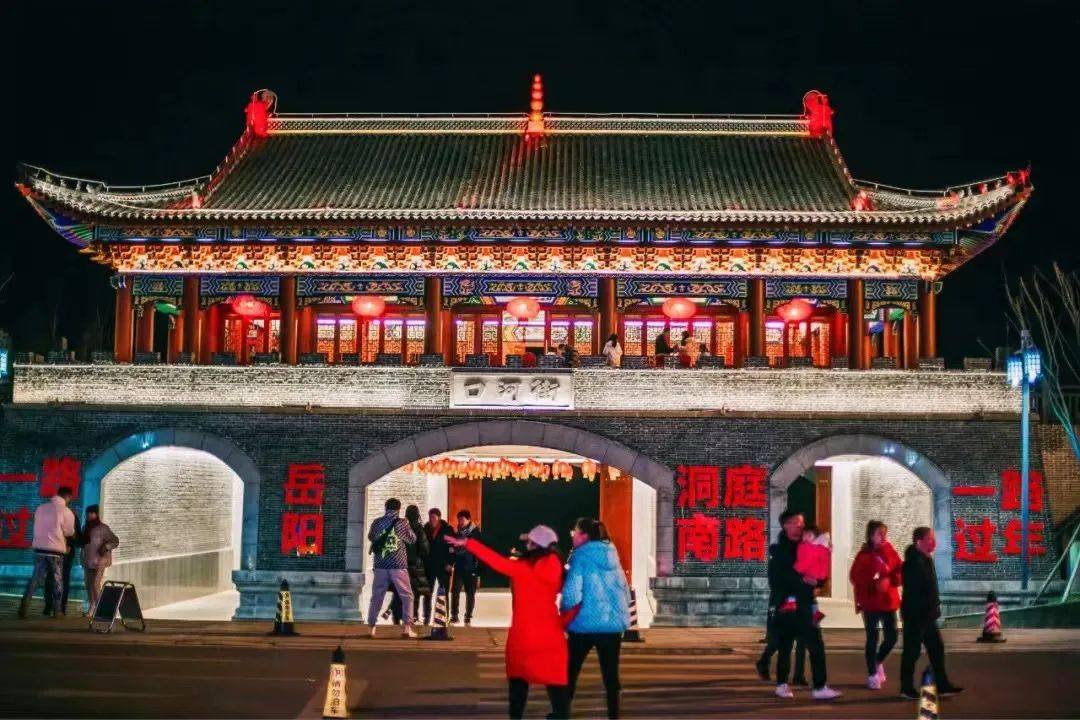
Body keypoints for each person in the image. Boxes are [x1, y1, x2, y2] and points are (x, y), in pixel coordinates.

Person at [446, 525, 569, 719]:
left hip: (523, 636)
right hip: (551, 636)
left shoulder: (520, 568)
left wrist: (469, 543)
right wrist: (566, 621)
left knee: (519, 685)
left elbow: (494, 560)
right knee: (556, 683)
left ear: (537, 546)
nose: (526, 545)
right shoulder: (559, 570)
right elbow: (574, 598)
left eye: (530, 542)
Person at [767, 509, 840, 700]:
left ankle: (820, 687)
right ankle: (782, 684)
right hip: (787, 604)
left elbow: (820, 567)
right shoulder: (778, 550)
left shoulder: (809, 544)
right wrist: (801, 581)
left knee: (816, 644)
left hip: (807, 604)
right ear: (785, 525)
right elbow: (775, 580)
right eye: (794, 522)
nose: (799, 526)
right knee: (785, 646)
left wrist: (819, 583)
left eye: (801, 522)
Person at [561, 517, 630, 719]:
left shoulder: (580, 557)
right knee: (611, 676)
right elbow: (624, 591)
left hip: (583, 625)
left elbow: (572, 594)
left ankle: (561, 713)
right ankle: (613, 715)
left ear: (584, 536)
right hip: (610, 627)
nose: (573, 536)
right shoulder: (612, 555)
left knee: (569, 673)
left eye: (575, 532)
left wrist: (564, 613)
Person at [899, 527, 964, 699]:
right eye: (929, 539)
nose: (933, 542)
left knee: (937, 648)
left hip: (928, 615)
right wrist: (926, 608)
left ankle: (942, 685)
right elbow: (914, 593)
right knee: (912, 652)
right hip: (916, 616)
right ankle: (906, 688)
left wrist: (934, 607)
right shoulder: (912, 563)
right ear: (919, 542)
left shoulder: (926, 559)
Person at [849, 520, 902, 690]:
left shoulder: (890, 550)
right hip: (871, 602)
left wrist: (892, 580)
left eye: (884, 533)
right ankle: (872, 674)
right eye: (879, 533)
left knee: (892, 637)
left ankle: (877, 660)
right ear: (871, 536)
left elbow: (899, 570)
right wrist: (875, 583)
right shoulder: (863, 555)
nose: (883, 536)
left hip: (888, 601)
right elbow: (855, 576)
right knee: (872, 638)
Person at [18, 488, 76, 619]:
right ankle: (57, 611)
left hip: (40, 550)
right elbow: (69, 532)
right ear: (67, 496)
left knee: (35, 579)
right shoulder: (66, 511)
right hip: (55, 552)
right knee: (57, 581)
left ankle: (24, 605)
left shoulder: (41, 508)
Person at [366, 497, 418, 637]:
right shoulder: (402, 523)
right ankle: (407, 628)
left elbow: (371, 537)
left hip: (380, 564)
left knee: (377, 596)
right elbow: (412, 539)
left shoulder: (377, 522)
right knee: (407, 595)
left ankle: (371, 627)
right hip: (398, 564)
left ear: (386, 507)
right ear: (398, 509)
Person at [389, 504, 431, 626]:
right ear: (417, 515)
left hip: (400, 565)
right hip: (415, 567)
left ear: (406, 515)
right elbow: (425, 550)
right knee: (414, 593)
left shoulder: (400, 528)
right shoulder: (419, 530)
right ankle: (412, 616)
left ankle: (396, 617)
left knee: (398, 592)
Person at [44, 501, 83, 617]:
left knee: (61, 579)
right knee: (51, 579)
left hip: (65, 553)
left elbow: (77, 536)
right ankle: (50, 606)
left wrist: (69, 544)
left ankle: (59, 607)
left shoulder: (72, 516)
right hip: (54, 552)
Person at [80, 504, 119, 616]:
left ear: (96, 514)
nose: (89, 515)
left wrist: (106, 547)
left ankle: (100, 609)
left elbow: (115, 541)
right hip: (88, 560)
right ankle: (92, 607)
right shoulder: (85, 528)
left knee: (95, 584)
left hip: (100, 560)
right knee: (88, 584)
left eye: (91, 513)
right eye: (88, 513)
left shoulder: (103, 528)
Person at [791, 524, 831, 625]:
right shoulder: (816, 547)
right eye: (804, 534)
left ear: (814, 536)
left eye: (808, 535)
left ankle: (810, 616)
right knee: (808, 598)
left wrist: (795, 570)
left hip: (809, 578)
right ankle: (814, 615)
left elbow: (805, 563)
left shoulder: (812, 548)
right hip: (811, 578)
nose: (805, 537)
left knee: (803, 597)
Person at [450, 509, 483, 626]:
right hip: (459, 567)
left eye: (462, 519)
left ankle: (468, 616)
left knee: (470, 593)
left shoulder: (475, 533)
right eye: (458, 519)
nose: (460, 522)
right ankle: (454, 616)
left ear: (468, 519)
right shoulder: (458, 532)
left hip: (471, 567)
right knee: (455, 591)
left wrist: (455, 549)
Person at [423, 508, 455, 624]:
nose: (431, 520)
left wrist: (450, 563)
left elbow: (452, 548)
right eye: (430, 517)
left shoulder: (447, 530)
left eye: (434, 517)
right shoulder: (425, 529)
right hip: (429, 566)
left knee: (443, 592)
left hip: (443, 566)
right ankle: (426, 617)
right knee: (427, 592)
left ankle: (444, 617)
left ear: (439, 518)